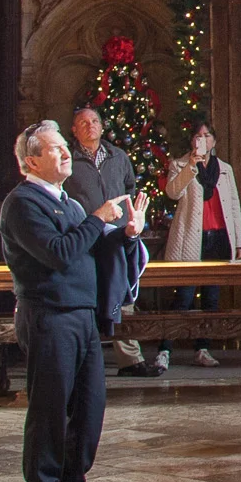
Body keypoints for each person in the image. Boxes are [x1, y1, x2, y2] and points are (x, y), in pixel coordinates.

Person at [0, 121, 145, 482]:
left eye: (65, 147)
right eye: (54, 149)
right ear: (31, 161)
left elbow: (93, 248)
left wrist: (127, 234)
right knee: (50, 409)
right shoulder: (23, 203)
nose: (66, 154)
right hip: (49, 316)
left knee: (88, 406)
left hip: (80, 316)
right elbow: (59, 253)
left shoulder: (69, 203)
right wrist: (99, 218)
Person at [68, 107, 159, 380]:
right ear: (74, 130)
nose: (89, 126)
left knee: (121, 294)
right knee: (86, 295)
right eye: (83, 123)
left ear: (102, 126)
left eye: (94, 121)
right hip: (84, 235)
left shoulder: (118, 156)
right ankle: (85, 358)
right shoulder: (68, 160)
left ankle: (130, 359)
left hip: (117, 236)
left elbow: (130, 186)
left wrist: (125, 217)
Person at [160, 119, 241, 368]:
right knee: (183, 296)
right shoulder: (180, 164)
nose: (203, 140)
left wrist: (238, 239)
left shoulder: (224, 168)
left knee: (211, 298)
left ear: (214, 141)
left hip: (218, 237)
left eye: (207, 136)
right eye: (198, 136)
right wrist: (191, 167)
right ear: (192, 141)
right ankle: (165, 349)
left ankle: (202, 348)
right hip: (191, 238)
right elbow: (173, 192)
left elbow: (234, 206)